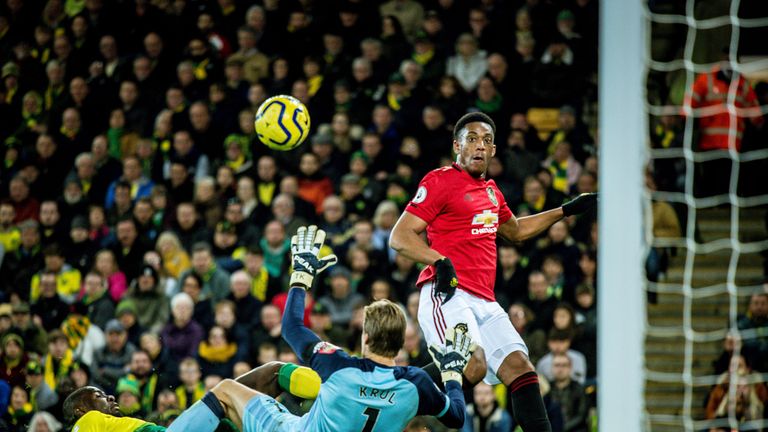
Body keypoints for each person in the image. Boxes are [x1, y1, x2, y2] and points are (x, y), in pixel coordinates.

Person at [389, 112, 597, 431]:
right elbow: (400, 237)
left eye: (486, 140)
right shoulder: (440, 180)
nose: (479, 146)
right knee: (473, 366)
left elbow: (515, 230)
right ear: (457, 145)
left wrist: (566, 210)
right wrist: (440, 261)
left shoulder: (491, 191)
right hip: (448, 293)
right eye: (471, 139)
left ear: (494, 150)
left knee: (522, 369)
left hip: (485, 301)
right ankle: (391, 390)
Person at [206, 225, 472, 431]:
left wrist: (301, 275)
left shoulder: (338, 366)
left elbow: (291, 327)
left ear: (365, 337)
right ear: (401, 341)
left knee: (227, 390)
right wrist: (452, 375)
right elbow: (457, 418)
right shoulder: (417, 382)